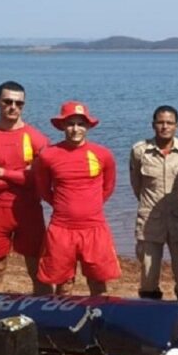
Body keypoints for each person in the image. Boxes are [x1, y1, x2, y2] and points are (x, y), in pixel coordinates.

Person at [0, 80, 51, 294]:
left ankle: (45, 317)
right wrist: (21, 176)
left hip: (29, 210)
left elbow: (40, 179)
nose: (13, 107)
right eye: (8, 101)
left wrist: (2, 173)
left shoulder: (36, 138)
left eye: (19, 103)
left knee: (38, 271)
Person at [34, 101, 121, 296]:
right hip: (62, 228)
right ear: (63, 126)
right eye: (70, 124)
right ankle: (63, 324)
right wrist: (64, 206)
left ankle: (99, 324)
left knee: (98, 284)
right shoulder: (48, 156)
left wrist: (90, 206)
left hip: (94, 228)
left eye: (80, 124)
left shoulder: (103, 154)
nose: (75, 129)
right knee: (64, 286)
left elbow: (108, 187)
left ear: (88, 126)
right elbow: (44, 190)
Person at [129, 105, 178, 300]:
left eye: (169, 123)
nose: (164, 127)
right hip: (150, 220)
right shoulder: (140, 151)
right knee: (148, 277)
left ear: (177, 126)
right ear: (153, 125)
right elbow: (137, 186)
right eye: (160, 122)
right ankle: (150, 315)